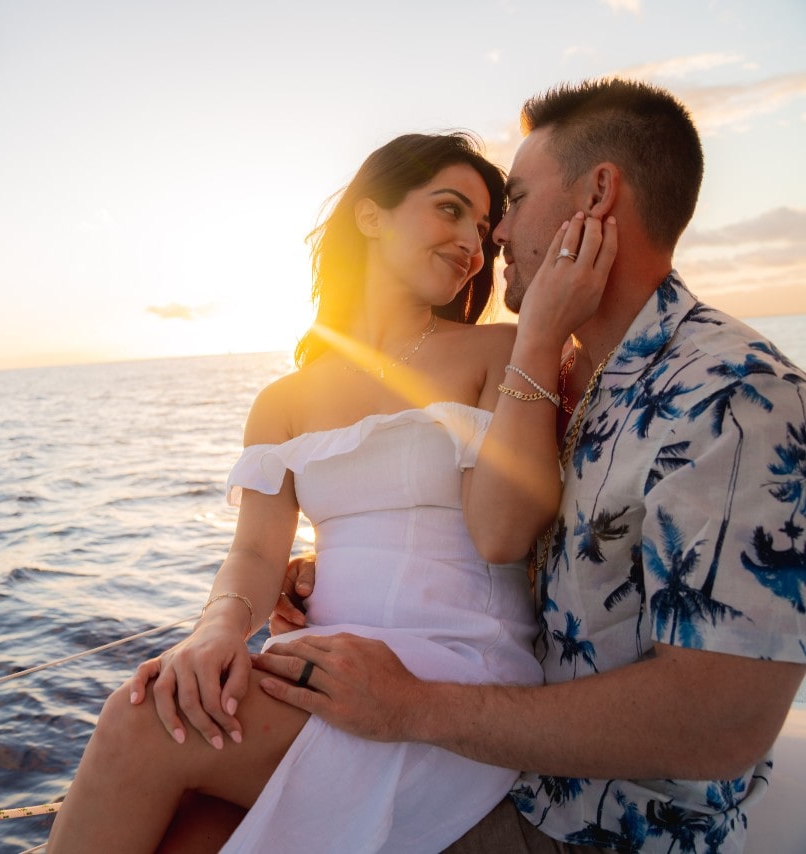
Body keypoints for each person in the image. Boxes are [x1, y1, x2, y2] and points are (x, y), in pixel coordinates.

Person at [260, 78, 806, 852]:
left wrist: (411, 706)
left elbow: (718, 723)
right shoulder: (560, 369)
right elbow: (504, 538)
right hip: (486, 770)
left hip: (594, 828)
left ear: (599, 195)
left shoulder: (738, 399)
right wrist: (333, 566)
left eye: (512, 200)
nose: (496, 234)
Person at [47, 131, 617, 852]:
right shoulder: (284, 400)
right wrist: (218, 630)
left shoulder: (496, 351)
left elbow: (502, 531)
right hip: (323, 662)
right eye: (449, 210)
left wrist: (537, 338)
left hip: (454, 671)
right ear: (371, 216)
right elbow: (255, 553)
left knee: (141, 719)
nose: (474, 242)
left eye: (482, 225)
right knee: (186, 833)